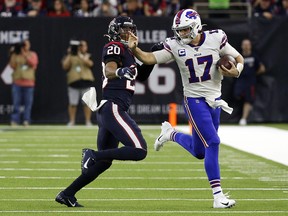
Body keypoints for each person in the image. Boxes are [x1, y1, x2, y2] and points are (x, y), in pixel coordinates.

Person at [128, 8, 244, 208]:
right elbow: (149, 59)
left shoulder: (216, 38)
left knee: (200, 152)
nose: (180, 34)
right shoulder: (174, 46)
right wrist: (135, 50)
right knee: (213, 142)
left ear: (196, 26)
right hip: (194, 99)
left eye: (184, 30)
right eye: (179, 30)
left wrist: (236, 71)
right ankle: (217, 196)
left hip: (215, 100)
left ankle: (170, 134)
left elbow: (239, 59)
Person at [55, 15, 160, 207]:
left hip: (109, 110)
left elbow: (142, 75)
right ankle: (92, 154)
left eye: (131, 29)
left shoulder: (128, 50)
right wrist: (119, 71)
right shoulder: (114, 46)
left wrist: (154, 54)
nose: (129, 32)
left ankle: (67, 193)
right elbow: (109, 70)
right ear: (115, 31)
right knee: (139, 150)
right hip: (113, 107)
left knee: (105, 162)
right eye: (124, 29)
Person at [62, 40, 95, 126]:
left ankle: (88, 121)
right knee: (73, 103)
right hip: (73, 82)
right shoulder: (70, 56)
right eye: (79, 46)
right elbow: (65, 66)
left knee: (86, 103)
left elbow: (90, 64)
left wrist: (80, 55)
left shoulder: (88, 55)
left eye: (82, 46)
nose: (80, 48)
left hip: (86, 82)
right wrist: (70, 53)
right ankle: (72, 121)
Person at [234, 38, 266, 125]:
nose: (246, 46)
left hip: (250, 81)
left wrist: (253, 73)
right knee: (237, 95)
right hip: (240, 80)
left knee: (248, 99)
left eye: (248, 45)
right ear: (241, 46)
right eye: (244, 44)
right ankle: (240, 113)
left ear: (250, 46)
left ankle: (244, 118)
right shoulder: (239, 57)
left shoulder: (254, 56)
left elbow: (262, 68)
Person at [9, 39, 39, 127]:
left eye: (26, 44)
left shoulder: (32, 54)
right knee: (16, 103)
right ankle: (15, 120)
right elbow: (12, 66)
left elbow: (33, 64)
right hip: (17, 82)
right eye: (24, 45)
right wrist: (12, 53)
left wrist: (25, 55)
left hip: (29, 83)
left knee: (28, 103)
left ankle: (26, 120)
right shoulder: (16, 55)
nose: (25, 46)